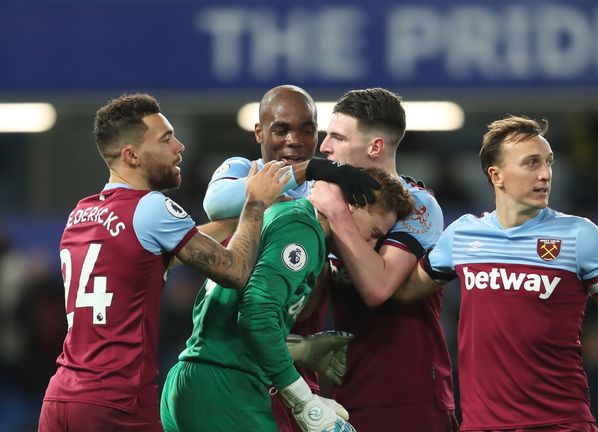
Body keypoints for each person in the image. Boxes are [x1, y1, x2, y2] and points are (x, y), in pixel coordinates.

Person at [393, 115, 598, 432]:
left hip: (560, 423)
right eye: (531, 163)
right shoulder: (462, 235)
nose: (546, 174)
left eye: (548, 162)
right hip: (482, 425)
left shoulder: (579, 235)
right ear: (497, 176)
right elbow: (402, 291)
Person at [38, 93, 291, 432]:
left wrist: (243, 216)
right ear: (132, 156)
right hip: (116, 403)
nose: (180, 146)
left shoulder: (81, 212)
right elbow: (235, 271)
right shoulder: (152, 207)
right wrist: (256, 203)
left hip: (61, 399)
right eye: (166, 138)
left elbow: (159, 254)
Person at [159, 169, 415, 432]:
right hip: (226, 389)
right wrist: (302, 400)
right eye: (374, 232)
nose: (371, 245)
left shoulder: (283, 216)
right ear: (353, 205)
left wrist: (301, 357)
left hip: (196, 379)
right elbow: (256, 315)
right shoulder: (303, 230)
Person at [201, 84, 372, 431]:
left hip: (291, 362)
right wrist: (308, 171)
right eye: (281, 130)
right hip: (235, 364)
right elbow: (215, 203)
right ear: (259, 132)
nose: (295, 140)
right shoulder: (241, 168)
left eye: (307, 130)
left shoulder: (329, 189)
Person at [311, 88, 457, 431]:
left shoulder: (418, 205)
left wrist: (335, 212)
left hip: (411, 396)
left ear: (375, 147)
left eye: (337, 137)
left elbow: (378, 288)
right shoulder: (329, 200)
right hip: (346, 395)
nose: (324, 147)